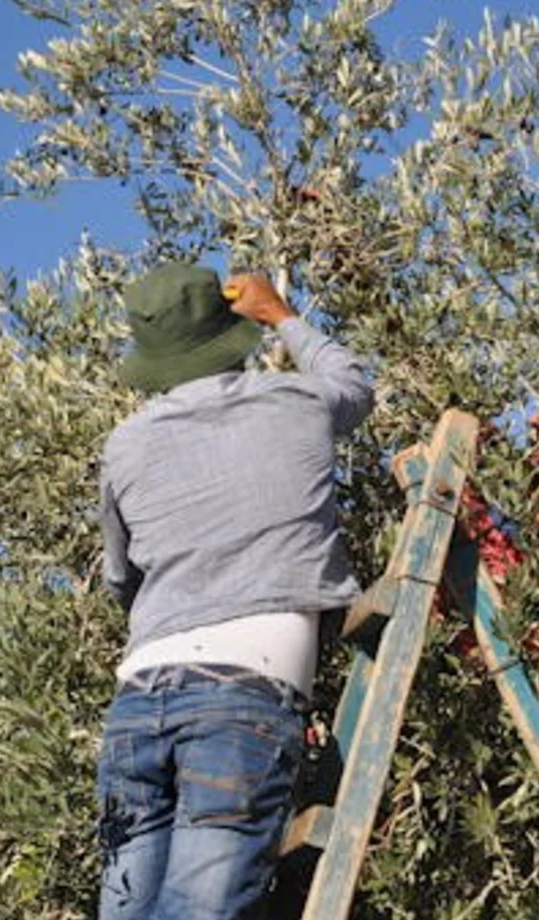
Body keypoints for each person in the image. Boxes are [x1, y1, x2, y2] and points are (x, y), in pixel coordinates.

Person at [95, 264, 373, 920]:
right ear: (227, 330)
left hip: (137, 699)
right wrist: (280, 314)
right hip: (246, 688)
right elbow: (354, 386)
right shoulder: (294, 403)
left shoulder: (124, 446)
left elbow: (120, 580)